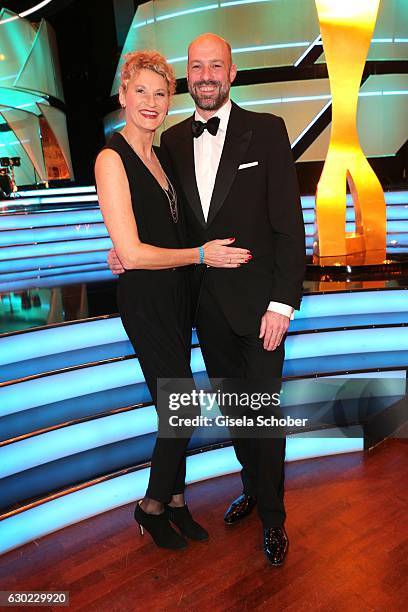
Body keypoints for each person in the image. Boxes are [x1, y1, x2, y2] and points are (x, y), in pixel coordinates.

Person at [108, 34, 306, 565]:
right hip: (205, 310)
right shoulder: (167, 142)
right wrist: (122, 251)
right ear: (187, 78)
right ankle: (251, 489)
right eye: (197, 66)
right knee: (239, 414)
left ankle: (274, 519)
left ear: (232, 72)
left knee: (264, 417)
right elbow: (163, 221)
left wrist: (283, 304)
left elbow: (290, 228)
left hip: (262, 309)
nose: (207, 74)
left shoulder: (268, 131)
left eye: (216, 65)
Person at [95, 50, 251, 551]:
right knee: (181, 408)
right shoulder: (110, 157)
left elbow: (168, 227)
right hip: (147, 300)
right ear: (123, 96)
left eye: (160, 93)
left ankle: (178, 502)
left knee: (175, 403)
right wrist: (198, 255)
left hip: (178, 294)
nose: (150, 102)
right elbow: (136, 254)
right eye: (140, 91)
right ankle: (150, 506)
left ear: (169, 102)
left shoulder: (161, 157)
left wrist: (186, 253)